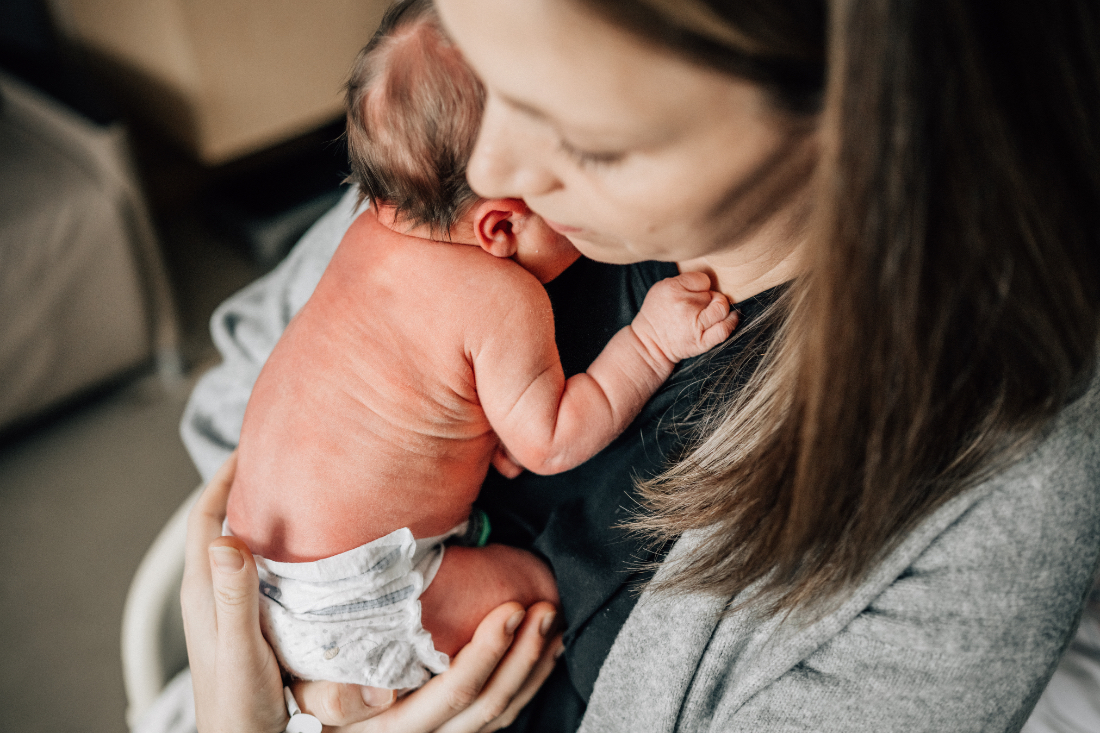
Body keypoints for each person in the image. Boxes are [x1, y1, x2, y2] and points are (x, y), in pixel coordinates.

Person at [175, 0, 1100, 731]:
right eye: (490, 70)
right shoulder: (446, 165)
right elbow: (238, 394)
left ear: (851, 120)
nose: (489, 165)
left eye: (585, 138)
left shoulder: (998, 486)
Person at [225, 0, 735, 692]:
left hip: (259, 572)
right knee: (531, 591)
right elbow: (547, 443)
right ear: (500, 226)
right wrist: (649, 340)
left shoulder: (364, 235)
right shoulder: (501, 296)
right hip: (366, 600)